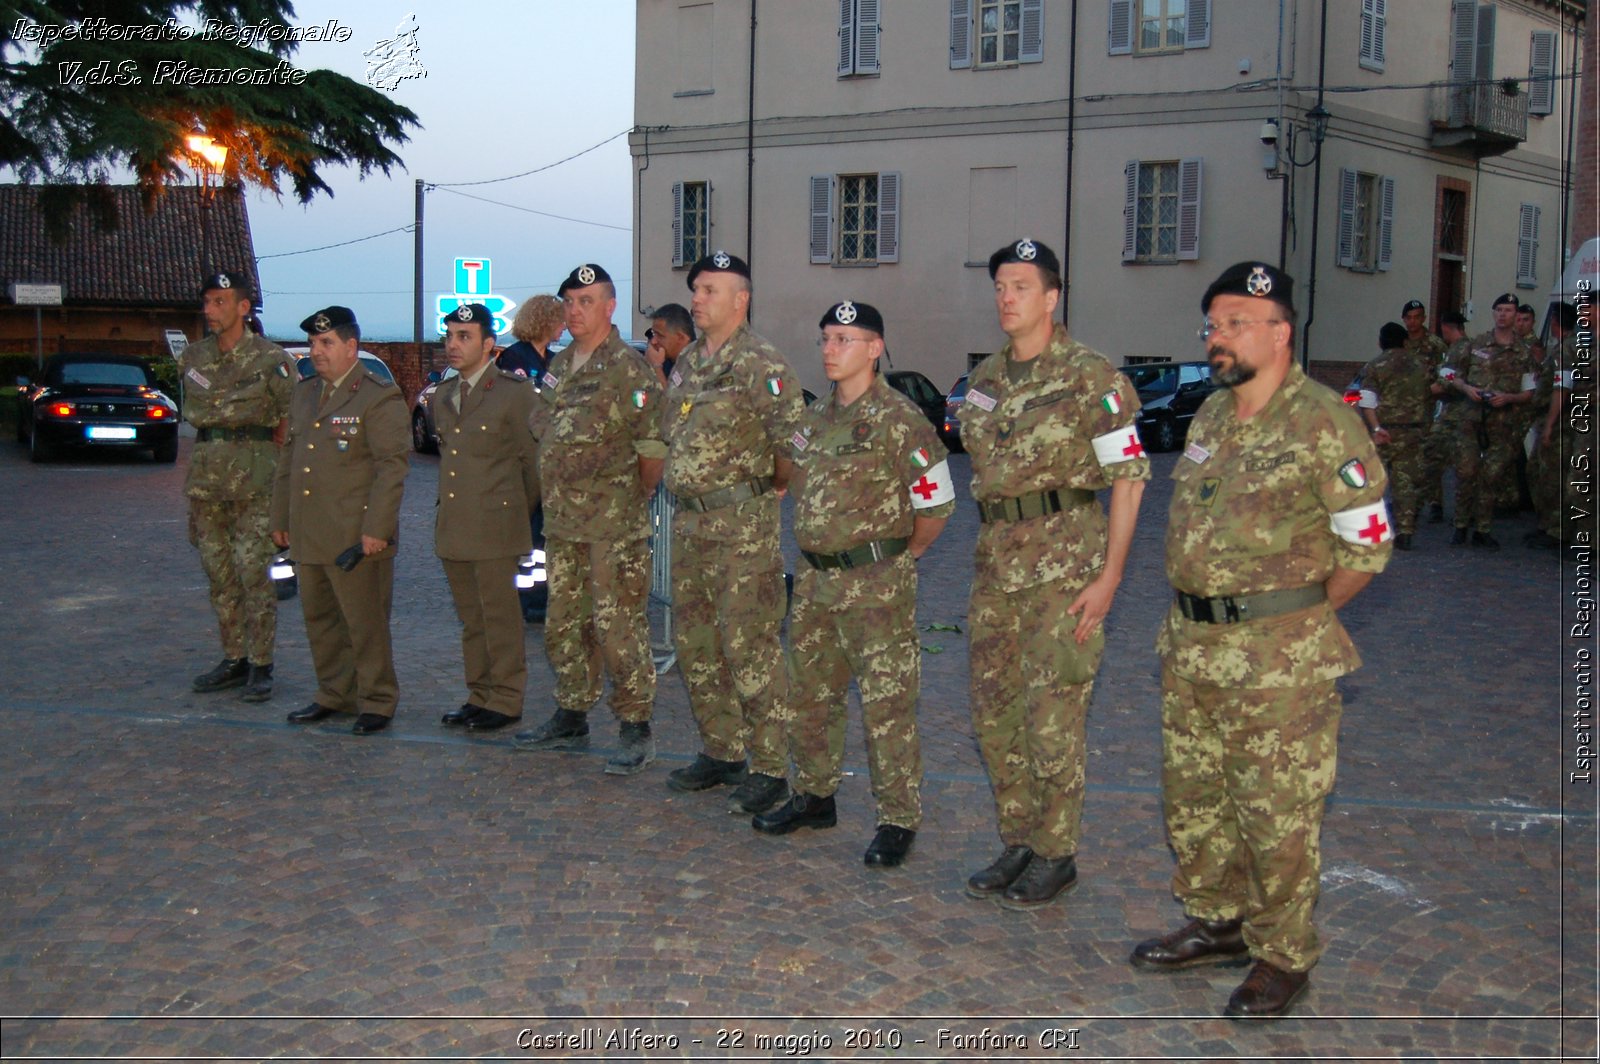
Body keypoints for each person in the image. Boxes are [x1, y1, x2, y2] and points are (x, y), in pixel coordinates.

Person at [1130, 261, 1392, 1020]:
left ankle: (1283, 953)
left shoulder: (1324, 423)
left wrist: (1292, 619)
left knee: (1277, 813)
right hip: (1191, 648)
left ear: (1280, 332)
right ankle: (1217, 922)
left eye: (1236, 321)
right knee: (1196, 799)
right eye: (1212, 323)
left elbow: (1367, 546)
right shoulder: (1212, 417)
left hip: (1278, 663)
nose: (1217, 336)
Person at [961, 239, 1149, 910]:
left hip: (1065, 571)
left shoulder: (1090, 376)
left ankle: (1056, 851)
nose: (1006, 297)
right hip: (995, 569)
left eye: (1020, 286)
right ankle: (1018, 838)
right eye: (1000, 286)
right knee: (995, 716)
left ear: (1051, 296)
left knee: (1053, 719)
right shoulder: (983, 381)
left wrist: (1111, 578)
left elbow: (1128, 481)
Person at [751, 301, 955, 868]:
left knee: (887, 706)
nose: (830, 350)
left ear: (874, 348)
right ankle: (815, 795)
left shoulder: (901, 419)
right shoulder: (812, 420)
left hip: (876, 586)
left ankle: (897, 818)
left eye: (844, 339)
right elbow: (787, 476)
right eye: (825, 339)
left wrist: (903, 554)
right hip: (816, 582)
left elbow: (936, 503)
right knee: (810, 698)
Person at [660, 250, 805, 815]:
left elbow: (791, 444)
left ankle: (770, 764)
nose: (697, 298)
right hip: (689, 521)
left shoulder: (763, 364)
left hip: (742, 525)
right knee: (696, 642)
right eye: (696, 289)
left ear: (740, 300)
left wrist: (770, 492)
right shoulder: (688, 361)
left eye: (710, 290)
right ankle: (722, 751)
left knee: (750, 644)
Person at [514, 265, 667, 774]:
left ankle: (633, 726)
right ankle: (571, 713)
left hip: (612, 525)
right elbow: (541, 412)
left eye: (585, 301)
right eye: (569, 302)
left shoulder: (629, 368)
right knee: (564, 622)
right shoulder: (561, 362)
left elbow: (651, 448)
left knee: (618, 626)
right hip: (562, 522)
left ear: (609, 307)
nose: (574, 311)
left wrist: (636, 493)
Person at [269, 307, 410, 735]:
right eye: (313, 343)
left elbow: (392, 467)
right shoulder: (305, 393)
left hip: (356, 533)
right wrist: (280, 516)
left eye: (326, 343)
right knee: (321, 620)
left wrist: (377, 529)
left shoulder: (378, 395)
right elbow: (290, 459)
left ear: (352, 347)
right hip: (311, 530)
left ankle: (377, 699)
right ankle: (334, 693)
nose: (317, 351)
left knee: (364, 623)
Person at [183, 271, 293, 704]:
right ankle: (234, 658)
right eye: (207, 302)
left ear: (243, 307)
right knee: (219, 577)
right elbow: (195, 413)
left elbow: (289, 419)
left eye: (220, 301)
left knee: (255, 576)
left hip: (256, 482)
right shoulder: (192, 358)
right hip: (207, 483)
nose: (211, 310)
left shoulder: (272, 360)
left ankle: (261, 665)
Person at [433, 303, 542, 732]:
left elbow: (532, 464)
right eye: (450, 336)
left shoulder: (515, 394)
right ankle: (479, 694)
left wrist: (513, 509)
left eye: (465, 337)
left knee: (499, 618)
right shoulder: (444, 395)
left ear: (489, 344)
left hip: (497, 526)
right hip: (456, 526)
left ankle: (506, 699)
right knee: (471, 619)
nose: (454, 345)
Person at [1443, 293, 1536, 550]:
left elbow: (1529, 393)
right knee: (1465, 472)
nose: (1503, 315)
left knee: (1491, 477)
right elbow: (1451, 376)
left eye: (1509, 310)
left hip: (1503, 423)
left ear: (1516, 316)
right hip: (1471, 419)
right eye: (1500, 310)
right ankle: (1460, 525)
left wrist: (1508, 397)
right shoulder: (1474, 345)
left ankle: (1482, 528)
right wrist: (1466, 389)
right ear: (1493, 313)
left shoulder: (1524, 352)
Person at [498, 294, 565, 623]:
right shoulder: (515, 359)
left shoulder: (554, 360)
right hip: (521, 460)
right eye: (558, 320)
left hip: (547, 461)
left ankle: (539, 596)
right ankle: (523, 599)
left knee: (541, 536)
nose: (563, 326)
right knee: (525, 533)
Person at [1359, 321, 1434, 550]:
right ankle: (1405, 531)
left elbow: (1367, 400)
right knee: (1405, 483)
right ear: (1404, 341)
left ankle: (1372, 530)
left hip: (1385, 430)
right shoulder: (1422, 365)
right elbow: (1435, 391)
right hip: (1413, 430)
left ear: (1381, 342)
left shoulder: (1375, 366)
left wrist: (1375, 428)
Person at [1527, 302, 1579, 549]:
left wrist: (1549, 424)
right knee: (1539, 471)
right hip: (1555, 419)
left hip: (1560, 423)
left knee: (1552, 477)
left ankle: (1557, 530)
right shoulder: (1561, 348)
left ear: (1557, 324)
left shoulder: (1566, 351)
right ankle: (1547, 524)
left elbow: (1562, 388)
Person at [1423, 311, 1470, 524]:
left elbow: (1444, 382)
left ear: (1446, 328)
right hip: (1463, 412)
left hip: (1454, 413)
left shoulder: (1457, 351)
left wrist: (1416, 393)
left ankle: (1438, 506)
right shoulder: (1469, 347)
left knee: (1432, 455)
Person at [645, 303, 694, 387]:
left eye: (660, 335)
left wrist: (656, 367)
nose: (653, 341)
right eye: (654, 334)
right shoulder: (666, 362)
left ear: (680, 338)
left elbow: (670, 399)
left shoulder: (697, 365)